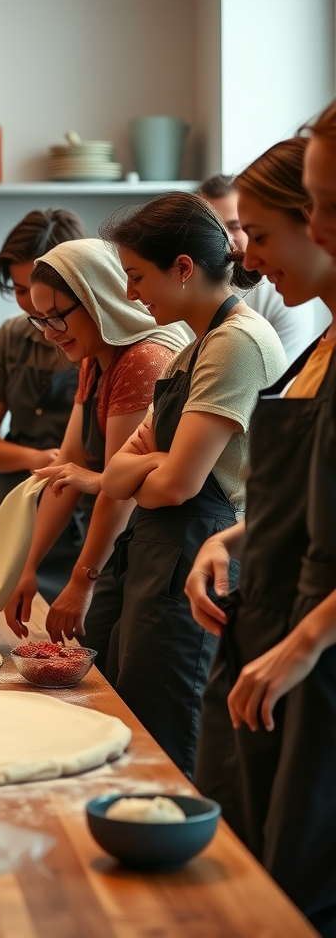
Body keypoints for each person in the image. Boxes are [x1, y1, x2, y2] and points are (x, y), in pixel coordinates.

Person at [185, 127, 336, 935]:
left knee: (297, 888)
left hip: (312, 650)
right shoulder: (318, 347)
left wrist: (306, 642)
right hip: (264, 632)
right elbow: (307, 492)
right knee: (240, 860)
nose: (250, 258)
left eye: (262, 234)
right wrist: (232, 539)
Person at [99, 192, 285, 778]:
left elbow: (178, 484)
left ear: (183, 268)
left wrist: (152, 469)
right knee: (139, 724)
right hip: (161, 553)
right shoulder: (192, 349)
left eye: (137, 276)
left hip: (198, 557)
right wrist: (152, 469)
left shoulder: (236, 344)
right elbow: (117, 472)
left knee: (168, 738)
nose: (131, 293)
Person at [3, 238, 186, 653]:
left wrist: (80, 582)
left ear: (98, 301)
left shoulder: (142, 359)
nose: (49, 334)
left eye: (57, 318)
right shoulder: (95, 357)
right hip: (119, 550)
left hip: (152, 551)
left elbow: (117, 492)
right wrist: (26, 566)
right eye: (40, 319)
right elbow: (66, 467)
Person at [0, 208, 86, 599]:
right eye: (18, 291)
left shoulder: (104, 345)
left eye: (34, 288)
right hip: (13, 515)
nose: (30, 306)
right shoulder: (12, 337)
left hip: (81, 524)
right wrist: (36, 459)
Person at [200, 174, 316, 359]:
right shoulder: (184, 288)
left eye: (234, 226)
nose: (225, 240)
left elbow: (279, 380)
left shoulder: (283, 289)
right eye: (214, 229)